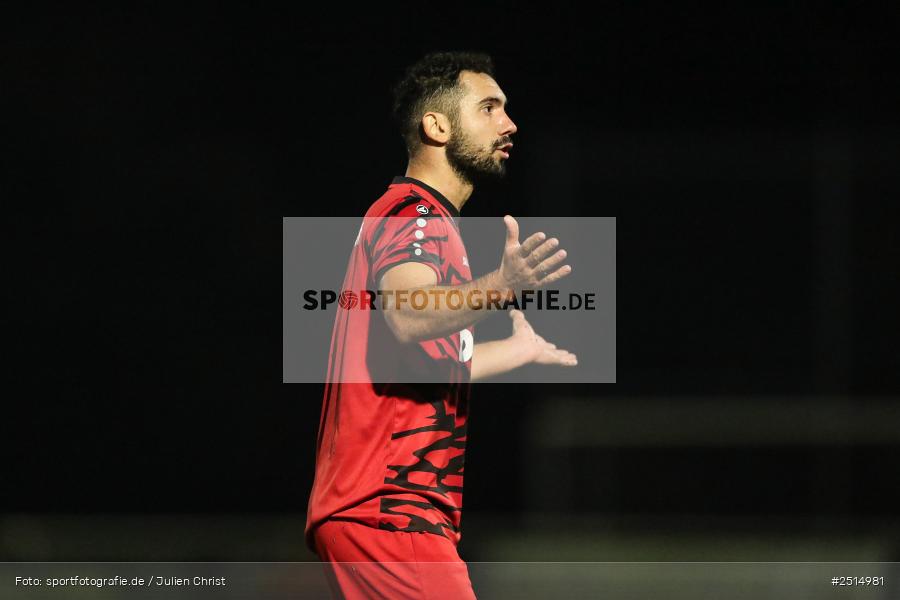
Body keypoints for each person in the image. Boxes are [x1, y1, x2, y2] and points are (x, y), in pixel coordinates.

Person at [305, 51, 577, 599]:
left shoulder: (418, 218)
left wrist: (514, 350)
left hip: (380, 511)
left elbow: (416, 357)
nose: (509, 123)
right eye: (490, 107)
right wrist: (503, 284)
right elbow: (407, 316)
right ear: (437, 126)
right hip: (389, 510)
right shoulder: (416, 215)